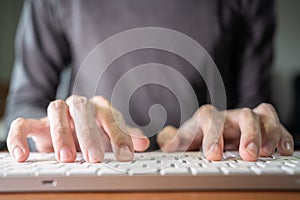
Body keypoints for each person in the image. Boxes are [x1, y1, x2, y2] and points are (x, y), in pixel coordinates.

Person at [4, 0, 294, 163]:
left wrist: (247, 130)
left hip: (211, 162)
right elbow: (24, 105)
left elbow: (255, 110)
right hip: (94, 165)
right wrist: (57, 132)